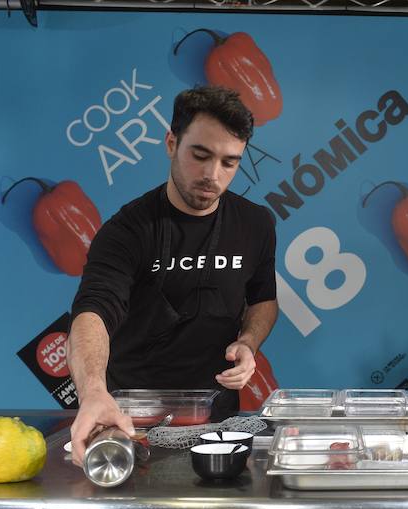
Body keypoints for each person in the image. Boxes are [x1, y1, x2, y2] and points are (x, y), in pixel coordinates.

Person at [67, 86, 278, 464]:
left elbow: (263, 298)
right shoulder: (127, 230)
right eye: (200, 155)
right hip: (133, 424)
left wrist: (248, 342)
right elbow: (93, 313)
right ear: (171, 143)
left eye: (229, 162)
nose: (213, 175)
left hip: (218, 423)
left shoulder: (256, 223)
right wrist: (94, 392)